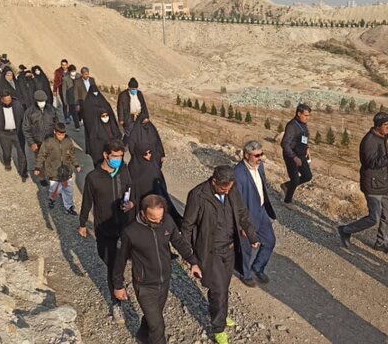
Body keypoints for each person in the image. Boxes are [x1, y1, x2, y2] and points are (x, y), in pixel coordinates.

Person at [181, 165, 259, 344]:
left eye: (229, 187)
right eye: (223, 188)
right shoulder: (198, 195)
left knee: (222, 286)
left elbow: (242, 213)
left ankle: (220, 314)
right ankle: (218, 327)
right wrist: (189, 257)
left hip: (230, 249)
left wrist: (252, 235)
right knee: (219, 290)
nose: (226, 191)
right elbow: (187, 226)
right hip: (210, 251)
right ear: (213, 181)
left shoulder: (231, 190)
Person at [113, 195, 202, 344]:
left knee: (153, 317)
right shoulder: (130, 232)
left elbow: (179, 242)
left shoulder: (167, 221)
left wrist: (193, 262)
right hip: (144, 284)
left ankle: (142, 335)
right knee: (158, 326)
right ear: (142, 213)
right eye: (153, 219)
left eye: (160, 218)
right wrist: (118, 286)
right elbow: (119, 260)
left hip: (164, 280)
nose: (158, 222)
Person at [78, 139, 135, 323]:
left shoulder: (124, 171)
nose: (118, 159)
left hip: (125, 228)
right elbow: (86, 201)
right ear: (106, 155)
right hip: (104, 230)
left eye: (121, 156)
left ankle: (116, 303)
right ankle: (117, 288)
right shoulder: (93, 178)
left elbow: (130, 191)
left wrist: (131, 203)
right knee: (107, 260)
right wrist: (82, 223)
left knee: (115, 266)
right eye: (115, 156)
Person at [338, 112, 388, 256]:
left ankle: (381, 243)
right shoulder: (369, 141)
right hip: (373, 186)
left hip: (384, 184)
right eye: (386, 125)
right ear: (378, 126)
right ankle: (345, 230)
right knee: (373, 218)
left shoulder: (382, 138)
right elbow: (372, 163)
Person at [234, 141, 276, 287]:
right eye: (257, 155)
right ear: (246, 155)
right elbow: (236, 202)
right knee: (246, 248)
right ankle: (245, 274)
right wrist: (241, 224)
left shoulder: (260, 166)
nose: (260, 158)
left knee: (269, 241)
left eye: (261, 154)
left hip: (261, 211)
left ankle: (258, 268)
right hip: (247, 216)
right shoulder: (238, 174)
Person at [127, 143, 182, 229]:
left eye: (150, 152)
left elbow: (161, 185)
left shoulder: (152, 166)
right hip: (138, 205)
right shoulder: (132, 167)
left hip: (154, 204)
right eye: (145, 153)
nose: (149, 155)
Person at [34, 123, 81, 215]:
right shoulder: (48, 142)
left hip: (66, 172)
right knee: (54, 189)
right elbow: (41, 155)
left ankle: (69, 206)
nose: (61, 136)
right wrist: (38, 167)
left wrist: (76, 165)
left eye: (63, 134)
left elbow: (72, 155)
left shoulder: (68, 141)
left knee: (68, 190)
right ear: (55, 132)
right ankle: (52, 199)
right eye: (59, 134)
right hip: (53, 172)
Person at [0, 91, 28, 181]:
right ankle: (7, 163)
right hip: (4, 134)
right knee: (7, 153)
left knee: (21, 153)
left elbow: (24, 118)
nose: (8, 102)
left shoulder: (18, 105)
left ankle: (23, 172)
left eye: (9, 100)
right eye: (6, 100)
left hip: (17, 133)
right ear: (2, 100)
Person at [279, 103, 313, 203]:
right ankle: (287, 201)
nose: (308, 118)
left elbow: (303, 138)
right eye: (306, 115)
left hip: (301, 154)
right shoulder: (292, 126)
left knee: (307, 176)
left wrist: (307, 148)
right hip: (291, 155)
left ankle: (286, 186)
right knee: (295, 179)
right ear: (299, 113)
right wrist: (294, 157)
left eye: (308, 115)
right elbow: (284, 144)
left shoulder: (303, 124)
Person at [23, 90, 59, 160]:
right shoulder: (29, 112)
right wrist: (32, 143)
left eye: (43, 101)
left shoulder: (51, 109)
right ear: (36, 101)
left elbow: (57, 123)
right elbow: (26, 129)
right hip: (38, 143)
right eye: (40, 101)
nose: (42, 103)